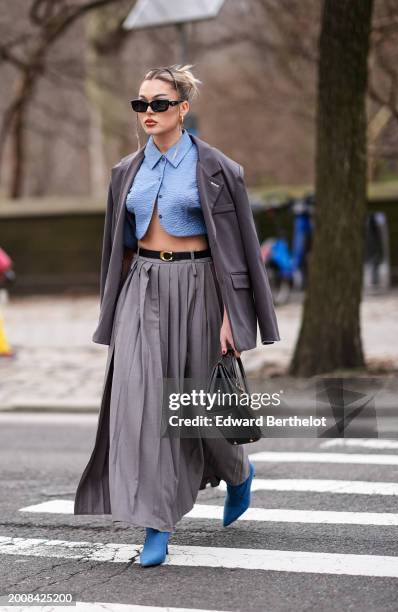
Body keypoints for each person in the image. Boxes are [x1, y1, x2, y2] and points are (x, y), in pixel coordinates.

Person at [74, 64, 280, 567]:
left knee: (197, 406)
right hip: (141, 289)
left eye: (159, 103)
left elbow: (241, 251)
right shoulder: (126, 171)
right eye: (141, 103)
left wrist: (236, 317)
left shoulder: (218, 169)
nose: (148, 112)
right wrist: (113, 303)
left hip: (201, 289)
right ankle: (157, 525)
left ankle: (238, 472)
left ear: (182, 108)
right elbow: (117, 248)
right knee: (144, 406)